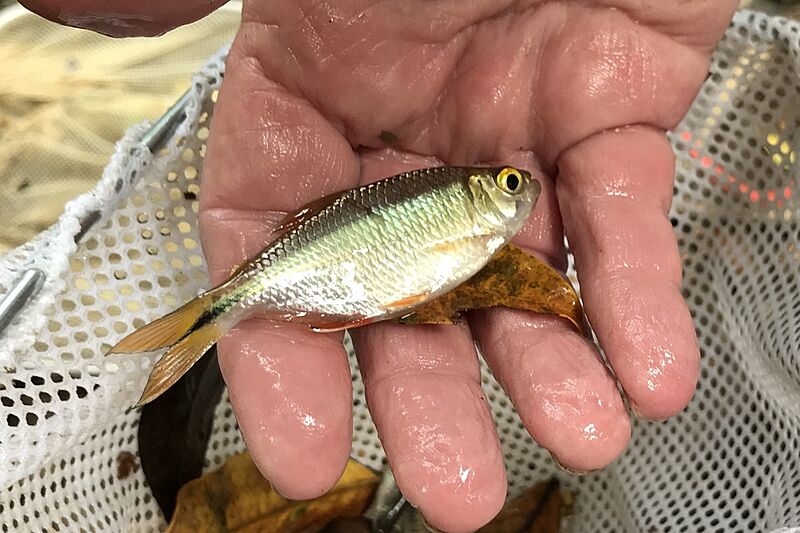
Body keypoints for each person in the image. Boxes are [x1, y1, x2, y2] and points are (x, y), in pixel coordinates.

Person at [20, 1, 740, 531]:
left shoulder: (471, 223)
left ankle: (198, 323)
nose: (519, 192)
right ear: (478, 194)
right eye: (509, 186)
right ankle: (200, 322)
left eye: (512, 184)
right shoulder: (468, 212)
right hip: (317, 264)